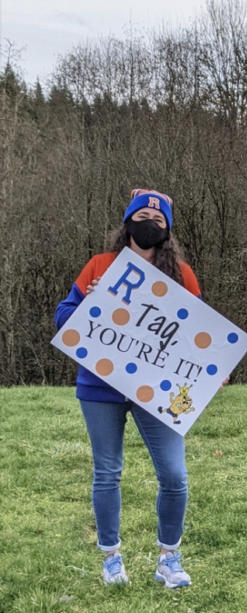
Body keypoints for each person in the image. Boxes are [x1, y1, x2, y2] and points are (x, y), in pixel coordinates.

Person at [55, 189, 201, 589]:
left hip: (159, 390)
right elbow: (62, 317)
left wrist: (212, 371)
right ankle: (111, 559)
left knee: (174, 475)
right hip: (100, 386)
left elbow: (200, 335)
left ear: (167, 229)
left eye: (158, 220)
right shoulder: (100, 266)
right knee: (108, 472)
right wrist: (94, 298)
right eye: (143, 217)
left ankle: (169, 558)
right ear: (128, 223)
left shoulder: (182, 275)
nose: (149, 224)